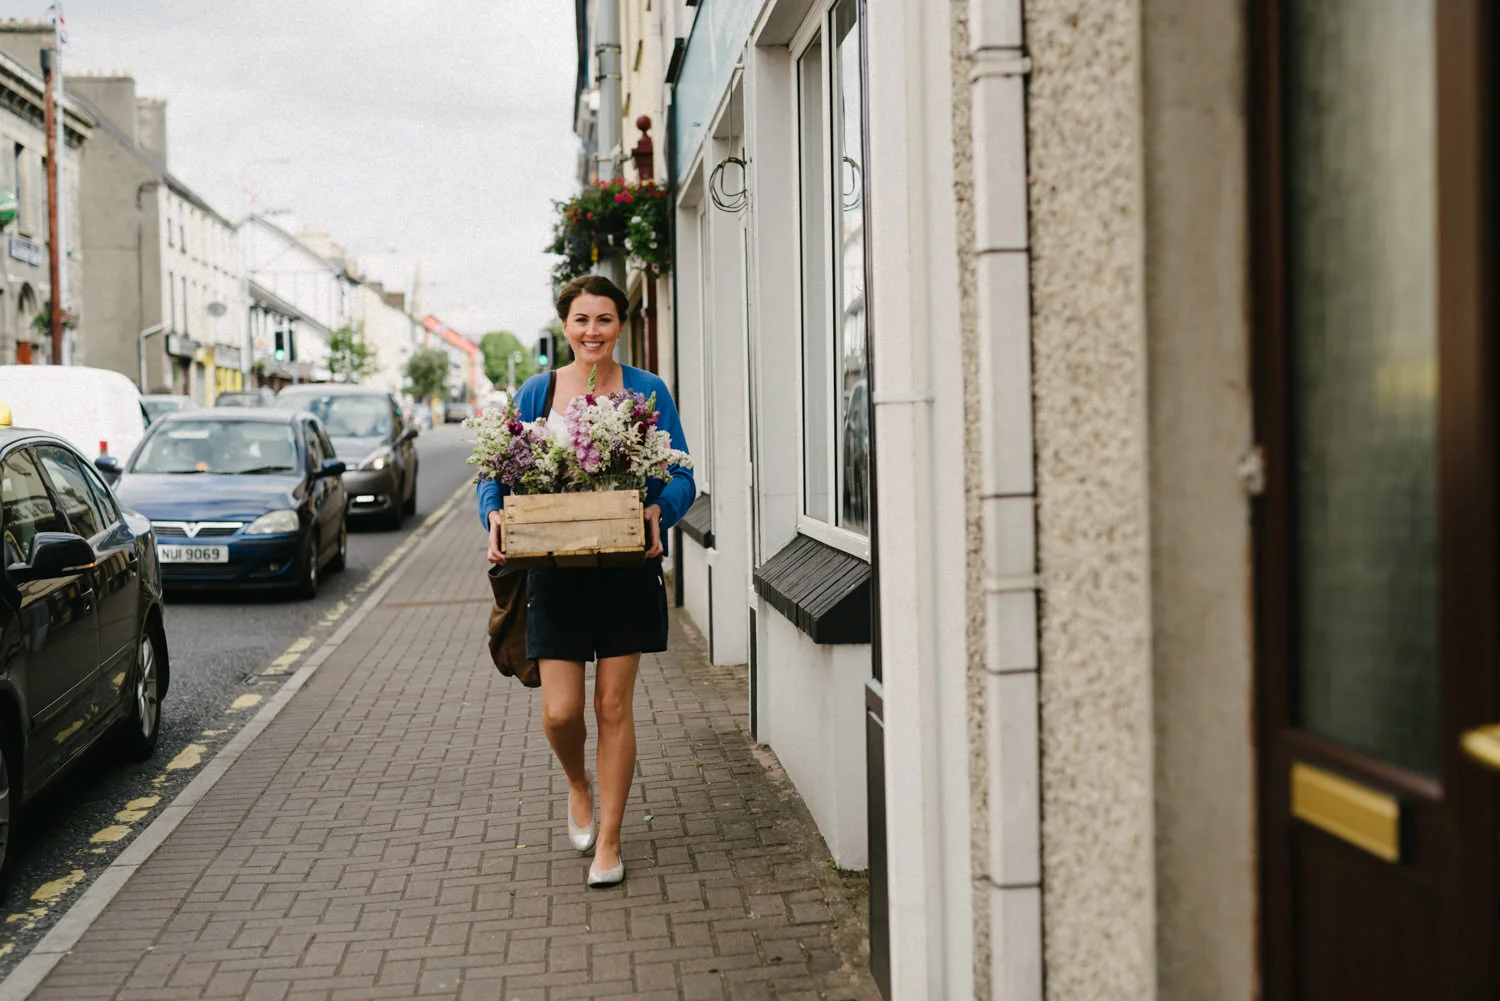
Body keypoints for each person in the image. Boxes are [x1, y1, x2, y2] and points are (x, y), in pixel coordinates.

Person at [476, 274, 695, 887]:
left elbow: (683, 475)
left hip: (626, 567)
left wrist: (659, 510)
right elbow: (493, 470)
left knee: (612, 705)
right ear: (564, 326)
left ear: (620, 325)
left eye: (604, 319)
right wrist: (493, 513)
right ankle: (578, 784)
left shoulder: (648, 392)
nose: (592, 331)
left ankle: (610, 839)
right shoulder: (536, 392)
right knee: (561, 711)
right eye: (581, 320)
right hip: (554, 570)